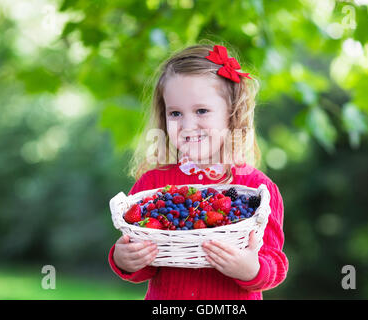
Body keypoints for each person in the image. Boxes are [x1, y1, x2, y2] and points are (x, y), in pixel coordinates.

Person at [108, 42, 288, 300]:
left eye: (202, 111)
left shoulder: (258, 188)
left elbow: (273, 262)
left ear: (231, 114)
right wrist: (123, 259)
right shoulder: (153, 184)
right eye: (175, 113)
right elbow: (144, 263)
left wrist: (252, 269)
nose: (188, 125)